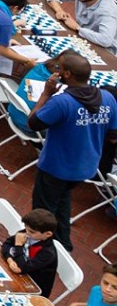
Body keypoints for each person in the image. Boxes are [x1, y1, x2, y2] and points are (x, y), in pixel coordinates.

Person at [28, 51, 116, 247]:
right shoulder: (108, 98)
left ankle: (42, 252)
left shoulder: (62, 102)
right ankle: (63, 245)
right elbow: (113, 136)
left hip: (55, 167)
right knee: (63, 202)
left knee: (42, 214)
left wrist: (46, 94)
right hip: (84, 168)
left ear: (66, 74)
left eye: (59, 68)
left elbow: (33, 123)